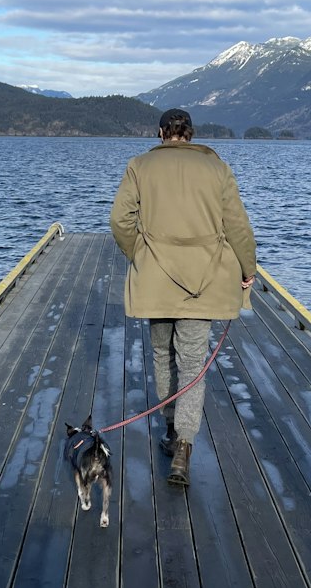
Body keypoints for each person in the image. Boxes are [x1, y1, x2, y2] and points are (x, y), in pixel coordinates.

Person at [109, 107, 257, 488]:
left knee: (162, 355)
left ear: (161, 133)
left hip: (157, 278)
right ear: (190, 133)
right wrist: (247, 270)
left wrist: (139, 254)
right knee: (192, 364)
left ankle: (172, 429)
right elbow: (238, 226)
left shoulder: (139, 166)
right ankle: (185, 447)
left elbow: (119, 222)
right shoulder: (217, 169)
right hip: (205, 280)